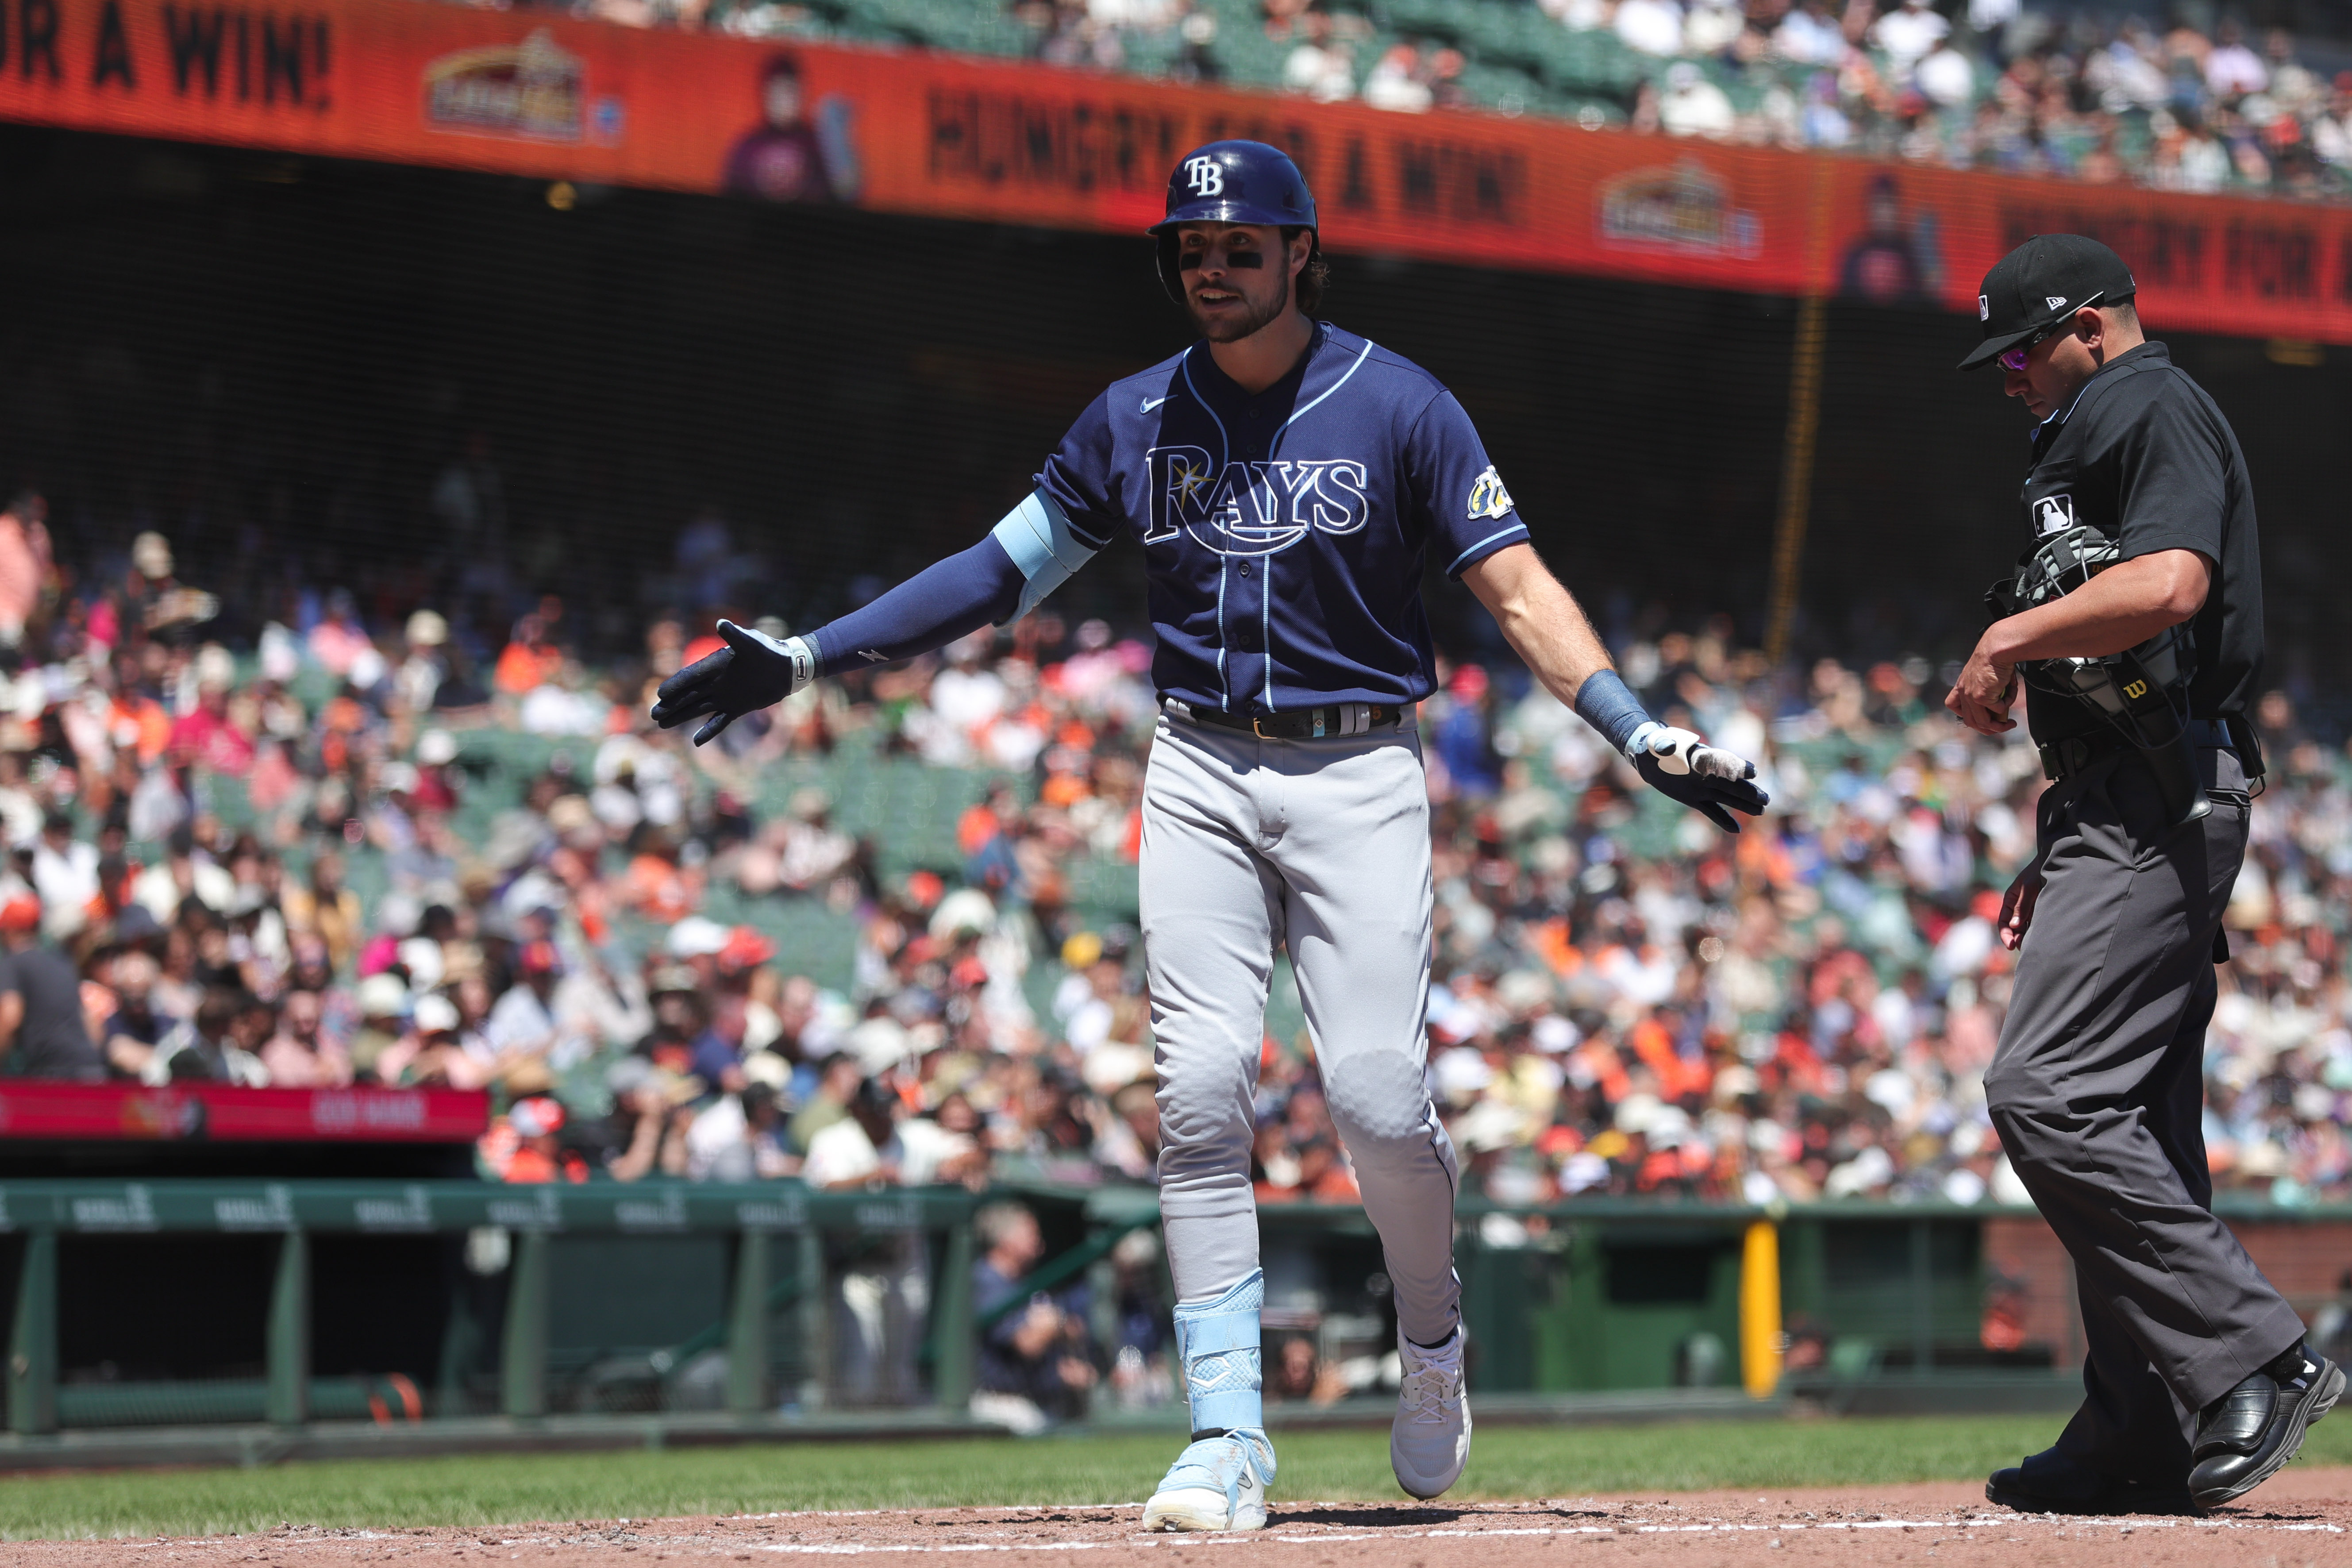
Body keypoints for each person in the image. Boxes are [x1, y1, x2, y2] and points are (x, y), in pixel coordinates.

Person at [652, 139, 1764, 1529]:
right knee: (1194, 1095)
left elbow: (1516, 585)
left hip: (1357, 770)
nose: (1213, 268)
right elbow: (997, 572)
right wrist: (810, 655)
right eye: (1191, 249)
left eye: (1242, 245)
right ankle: (1226, 1428)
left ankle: (1431, 1345)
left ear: (1302, 252)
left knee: (1372, 1097)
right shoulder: (1130, 419)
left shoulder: (1403, 405)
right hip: (1196, 767)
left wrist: (1628, 725)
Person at [1946, 234, 2337, 1516]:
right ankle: (2141, 1425)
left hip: (2161, 803)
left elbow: (2171, 584)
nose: (2005, 376)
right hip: (2116, 801)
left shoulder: (2149, 399)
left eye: (2017, 349)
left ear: (2090, 325)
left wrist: (2005, 632)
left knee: (2046, 1089)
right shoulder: (2086, 422)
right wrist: (2060, 822)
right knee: (2140, 1119)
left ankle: (2254, 1353)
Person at [0, 895, 103, 1080]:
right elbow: (92, 1024)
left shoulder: (13, 964)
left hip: (52, 1074)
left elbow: (10, 1017)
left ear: (9, 931)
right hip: (90, 1067)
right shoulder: (62, 964)